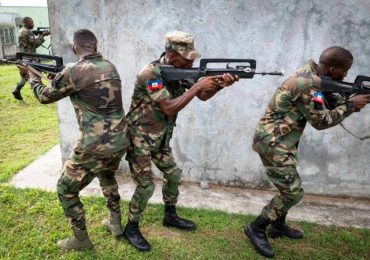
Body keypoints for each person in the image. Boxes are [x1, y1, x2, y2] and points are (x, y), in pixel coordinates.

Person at [245, 46, 370, 258]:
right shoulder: (308, 84)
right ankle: (256, 228)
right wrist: (351, 105)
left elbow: (326, 100)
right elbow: (321, 121)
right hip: (274, 142)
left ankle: (277, 226)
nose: (346, 75)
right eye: (344, 70)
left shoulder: (314, 76)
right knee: (292, 192)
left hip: (282, 140)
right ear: (332, 69)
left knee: (290, 184)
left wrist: (349, 98)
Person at [123, 31, 239, 251]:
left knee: (174, 174)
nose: (191, 61)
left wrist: (219, 85)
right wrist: (196, 86)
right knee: (146, 185)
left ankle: (170, 215)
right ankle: (132, 226)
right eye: (187, 57)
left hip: (160, 139)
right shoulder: (150, 74)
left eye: (192, 56)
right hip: (139, 139)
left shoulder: (180, 70)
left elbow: (202, 96)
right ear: (171, 54)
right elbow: (168, 107)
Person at [22, 29, 130, 250]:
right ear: (96, 45)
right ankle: (116, 223)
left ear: (74, 48)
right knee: (107, 174)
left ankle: (80, 240)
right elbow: (84, 87)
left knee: (65, 189)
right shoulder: (110, 66)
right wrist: (57, 78)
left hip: (93, 145)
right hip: (119, 139)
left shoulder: (73, 70)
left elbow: (44, 96)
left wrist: (33, 77)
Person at [12, 16, 50, 100]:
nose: (33, 24)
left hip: (23, 57)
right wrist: (43, 36)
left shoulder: (21, 31)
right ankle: (41, 94)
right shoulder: (28, 32)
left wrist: (36, 36)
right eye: (31, 22)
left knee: (25, 75)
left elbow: (29, 42)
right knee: (35, 75)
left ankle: (16, 90)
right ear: (27, 23)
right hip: (30, 58)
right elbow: (35, 44)